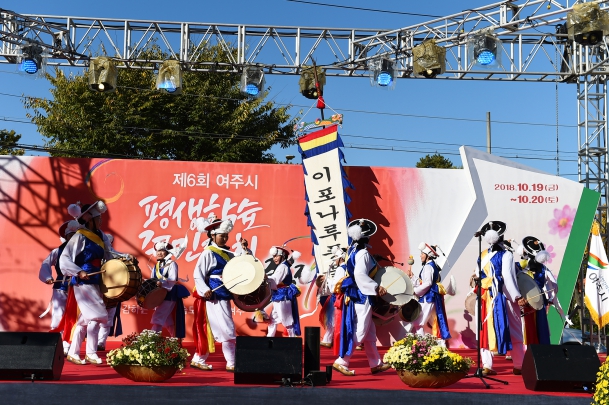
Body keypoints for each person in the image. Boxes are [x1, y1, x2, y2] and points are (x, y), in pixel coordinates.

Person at [59, 201, 133, 365]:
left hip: (96, 279)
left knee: (86, 320)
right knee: (98, 316)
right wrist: (79, 271)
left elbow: (109, 253)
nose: (101, 221)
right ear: (90, 219)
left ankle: (76, 352)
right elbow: (65, 258)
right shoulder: (80, 236)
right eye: (98, 218)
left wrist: (124, 257)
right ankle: (90, 352)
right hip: (83, 280)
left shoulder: (101, 235)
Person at [332, 219, 391, 376]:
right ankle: (342, 360)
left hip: (354, 294)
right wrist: (376, 287)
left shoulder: (352, 250)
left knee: (370, 331)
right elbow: (359, 274)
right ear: (368, 238)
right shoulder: (363, 253)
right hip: (361, 295)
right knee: (360, 330)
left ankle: (375, 363)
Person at [191, 214, 249, 372]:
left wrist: (244, 249)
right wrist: (204, 290)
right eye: (222, 236)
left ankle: (199, 359)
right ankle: (231, 362)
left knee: (217, 327)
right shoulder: (208, 252)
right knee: (225, 327)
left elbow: (242, 263)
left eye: (226, 236)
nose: (225, 239)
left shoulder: (228, 253)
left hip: (223, 290)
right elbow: (198, 274)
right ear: (212, 235)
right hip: (214, 293)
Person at [474, 220, 524, 376]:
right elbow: (508, 278)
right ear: (501, 236)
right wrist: (517, 296)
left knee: (484, 331)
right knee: (515, 330)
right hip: (502, 296)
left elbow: (477, 275)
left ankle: (487, 365)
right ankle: (519, 365)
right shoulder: (507, 254)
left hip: (484, 296)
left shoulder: (481, 255)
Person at [39, 220, 81, 354]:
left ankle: (68, 344)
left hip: (77, 286)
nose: (73, 238)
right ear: (66, 236)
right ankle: (55, 343)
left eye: (75, 235)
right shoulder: (57, 251)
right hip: (61, 285)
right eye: (70, 235)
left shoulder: (82, 251)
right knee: (58, 314)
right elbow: (46, 264)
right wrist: (47, 277)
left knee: (73, 315)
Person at [516, 236, 559, 346]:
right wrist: (550, 298)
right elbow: (554, 286)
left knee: (525, 328)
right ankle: (541, 351)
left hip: (524, 302)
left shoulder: (519, 266)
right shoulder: (543, 269)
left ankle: (526, 352)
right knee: (540, 329)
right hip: (539, 301)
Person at [407, 242, 451, 343]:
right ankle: (436, 346)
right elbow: (424, 282)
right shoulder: (430, 265)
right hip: (431, 296)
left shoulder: (428, 266)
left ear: (428, 255)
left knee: (418, 322)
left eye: (422, 254)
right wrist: (412, 277)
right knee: (435, 322)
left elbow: (427, 283)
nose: (420, 256)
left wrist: (415, 291)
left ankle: (422, 346)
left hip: (429, 296)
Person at [149, 241, 190, 337]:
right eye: (158, 251)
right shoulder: (156, 266)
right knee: (168, 321)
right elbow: (152, 279)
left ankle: (150, 341)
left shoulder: (172, 264)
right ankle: (175, 341)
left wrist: (161, 283)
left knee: (158, 318)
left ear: (167, 252)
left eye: (162, 251)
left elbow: (173, 279)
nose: (159, 253)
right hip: (159, 296)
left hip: (169, 295)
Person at [266, 246, 302, 338]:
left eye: (276, 256)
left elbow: (275, 280)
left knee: (287, 321)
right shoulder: (284, 265)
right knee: (273, 319)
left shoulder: (282, 266)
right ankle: (269, 339)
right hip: (279, 295)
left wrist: (265, 278)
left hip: (283, 296)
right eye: (273, 257)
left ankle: (292, 341)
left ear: (282, 256)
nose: (274, 258)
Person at [317, 246, 347, 348]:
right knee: (335, 319)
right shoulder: (346, 268)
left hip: (338, 297)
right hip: (342, 296)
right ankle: (328, 339)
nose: (335, 260)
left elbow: (336, 286)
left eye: (336, 257)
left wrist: (327, 279)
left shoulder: (340, 269)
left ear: (340, 258)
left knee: (334, 319)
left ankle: (328, 340)